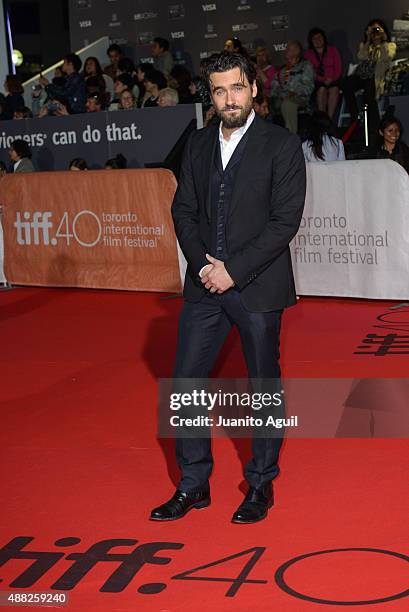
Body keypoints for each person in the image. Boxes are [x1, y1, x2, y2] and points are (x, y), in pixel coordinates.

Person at [150, 52, 306, 524]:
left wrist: (232, 271)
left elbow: (284, 223)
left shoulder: (281, 145)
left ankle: (260, 484)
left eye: (237, 88)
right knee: (185, 386)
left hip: (255, 288)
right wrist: (203, 267)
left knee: (262, 388)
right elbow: (184, 212)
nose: (229, 99)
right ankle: (193, 485)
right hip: (204, 288)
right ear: (210, 97)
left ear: (254, 89)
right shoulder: (196, 146)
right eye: (219, 91)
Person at [340, 19, 396, 141]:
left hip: (375, 78)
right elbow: (361, 56)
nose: (376, 33)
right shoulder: (365, 45)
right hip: (361, 76)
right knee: (345, 83)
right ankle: (355, 116)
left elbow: (387, 57)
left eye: (378, 29)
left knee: (369, 92)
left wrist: (383, 40)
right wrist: (368, 40)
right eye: (373, 30)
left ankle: (374, 130)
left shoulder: (389, 46)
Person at [270, 40, 314, 134]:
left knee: (288, 104)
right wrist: (280, 95)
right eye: (288, 49)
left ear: (298, 51)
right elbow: (274, 86)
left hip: (300, 99)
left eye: (291, 49)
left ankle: (291, 137)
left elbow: (308, 88)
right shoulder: (282, 70)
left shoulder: (306, 66)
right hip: (282, 98)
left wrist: (292, 92)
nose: (288, 51)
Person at [304, 28, 342, 119]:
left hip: (333, 79)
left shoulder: (333, 50)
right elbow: (310, 72)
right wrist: (322, 79)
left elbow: (338, 68)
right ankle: (323, 119)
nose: (318, 40)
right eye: (314, 38)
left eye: (320, 37)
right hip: (318, 80)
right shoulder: (308, 54)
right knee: (321, 90)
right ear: (311, 41)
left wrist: (331, 79)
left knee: (334, 89)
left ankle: (329, 119)